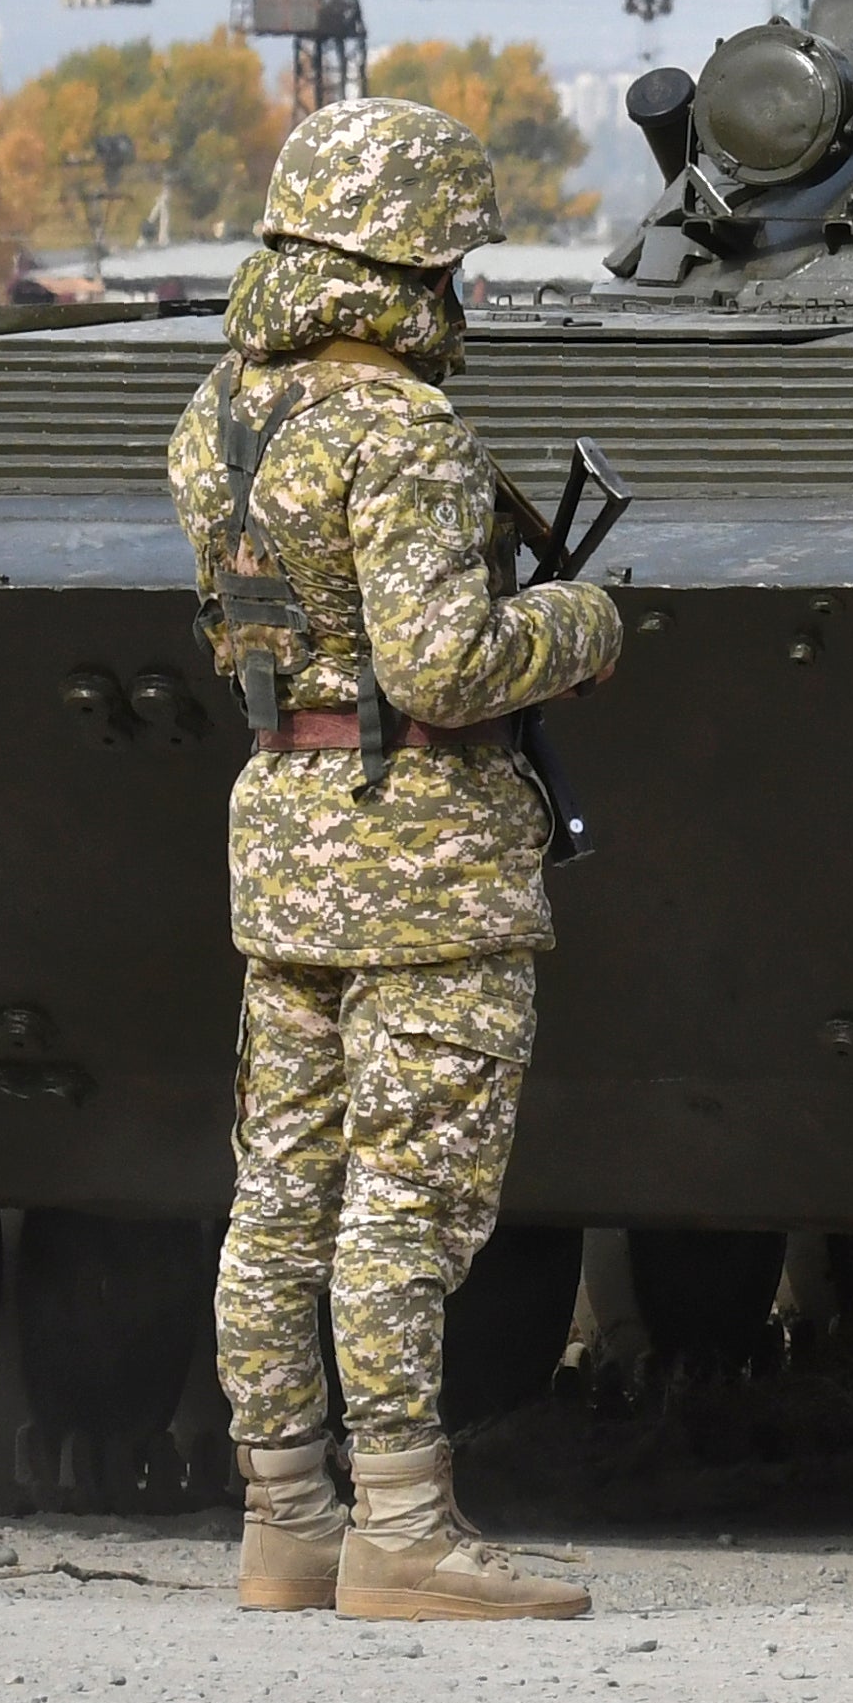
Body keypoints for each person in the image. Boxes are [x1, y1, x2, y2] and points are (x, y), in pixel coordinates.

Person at [166, 96, 624, 1622]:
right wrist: (580, 624)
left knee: (279, 1190)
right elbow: (440, 663)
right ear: (419, 263)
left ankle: (284, 1518)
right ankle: (408, 1530)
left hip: (284, 830)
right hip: (424, 855)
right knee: (406, 1201)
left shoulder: (222, 411)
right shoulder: (402, 429)